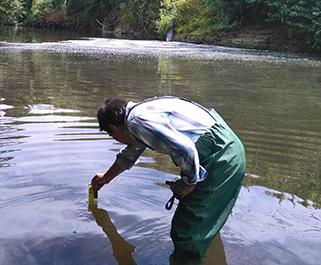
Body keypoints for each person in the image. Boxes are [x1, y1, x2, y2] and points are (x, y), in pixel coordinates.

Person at [91, 96, 246, 262]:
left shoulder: (137, 122)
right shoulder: (140, 115)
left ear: (114, 128)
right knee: (206, 220)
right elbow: (130, 153)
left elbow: (184, 148)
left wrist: (189, 182)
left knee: (187, 229)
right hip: (226, 148)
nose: (115, 139)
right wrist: (106, 177)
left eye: (111, 135)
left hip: (219, 157)